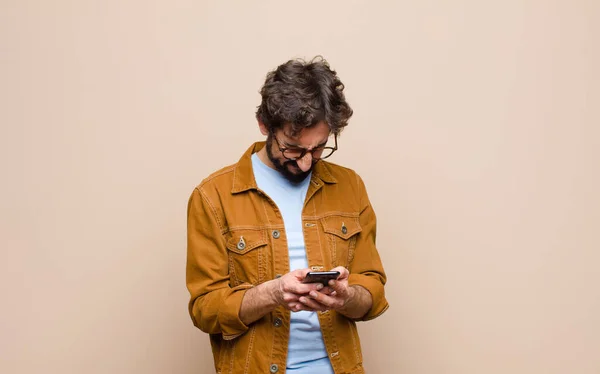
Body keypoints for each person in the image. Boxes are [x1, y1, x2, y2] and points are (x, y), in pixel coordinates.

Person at [186, 56, 388, 374]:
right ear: (265, 124)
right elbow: (205, 309)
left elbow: (373, 292)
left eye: (319, 148)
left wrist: (346, 296)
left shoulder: (350, 186)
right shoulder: (213, 197)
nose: (307, 162)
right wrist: (274, 292)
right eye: (293, 148)